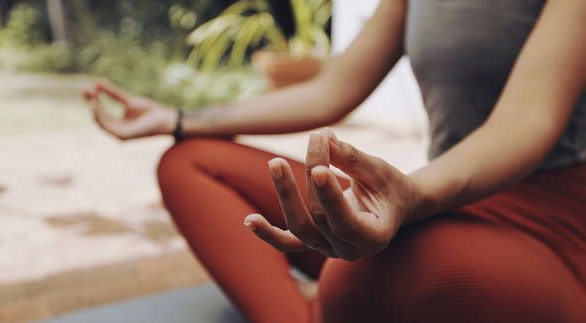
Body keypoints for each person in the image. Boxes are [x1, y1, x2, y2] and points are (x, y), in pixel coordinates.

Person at [83, 0, 586, 322]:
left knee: (354, 279)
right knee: (191, 164)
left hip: (551, 229)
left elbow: (526, 123)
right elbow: (331, 90)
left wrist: (409, 196)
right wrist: (177, 117)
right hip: (450, 204)